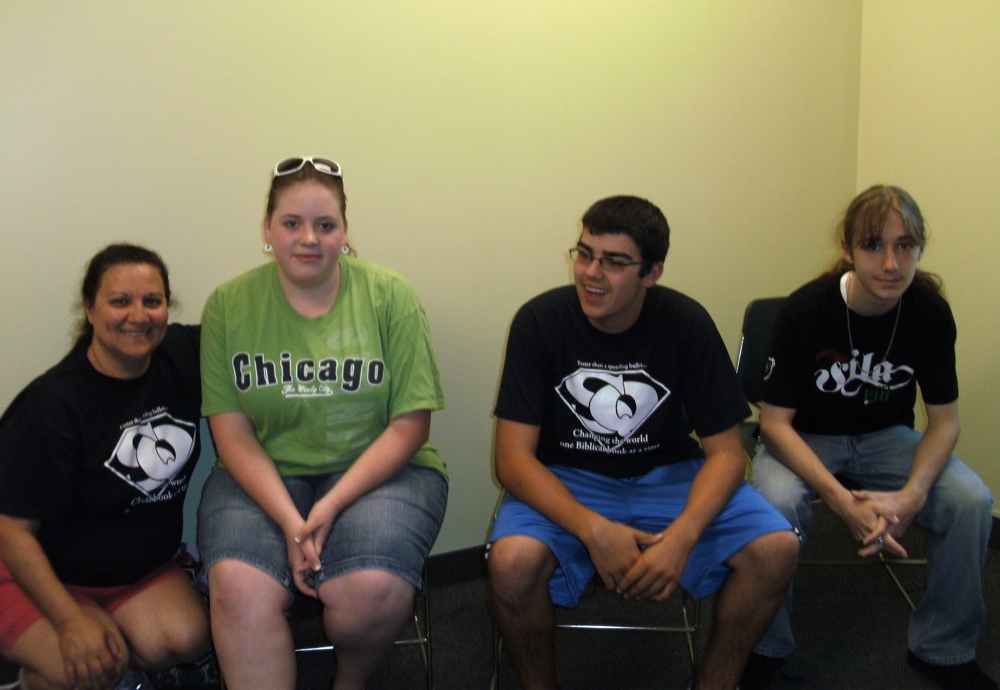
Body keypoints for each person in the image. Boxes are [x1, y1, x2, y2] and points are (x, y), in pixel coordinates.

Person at [487, 195, 800, 690]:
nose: (591, 273)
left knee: (777, 549)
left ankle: (716, 684)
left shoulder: (686, 323)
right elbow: (512, 460)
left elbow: (726, 455)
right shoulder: (539, 322)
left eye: (614, 262)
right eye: (584, 254)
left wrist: (683, 537)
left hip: (671, 476)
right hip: (568, 478)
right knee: (511, 564)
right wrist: (592, 530)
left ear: (652, 273)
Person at [197, 156, 448, 690]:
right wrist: (292, 521)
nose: (309, 239)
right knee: (239, 588)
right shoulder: (228, 305)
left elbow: (410, 424)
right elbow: (232, 432)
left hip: (379, 469)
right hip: (266, 472)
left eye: (325, 225)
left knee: (369, 592)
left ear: (345, 231)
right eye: (292, 223)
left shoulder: (390, 296)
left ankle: (349, 682)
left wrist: (329, 506)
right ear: (267, 229)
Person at [748, 185, 996, 690]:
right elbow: (773, 424)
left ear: (920, 248)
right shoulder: (805, 310)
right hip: (804, 436)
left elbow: (944, 421)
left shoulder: (928, 311)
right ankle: (764, 645)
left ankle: (943, 649)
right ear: (847, 249)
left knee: (971, 500)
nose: (891, 263)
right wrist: (842, 502)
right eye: (873, 245)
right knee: (775, 501)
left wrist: (912, 496)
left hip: (886, 436)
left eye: (905, 245)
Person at [0, 243, 211, 690]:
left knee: (187, 636)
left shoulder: (182, 354)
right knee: (92, 666)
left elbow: (259, 323)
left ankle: (106, 641)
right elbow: (12, 534)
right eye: (120, 301)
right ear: (90, 309)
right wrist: (70, 621)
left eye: (152, 301)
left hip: (132, 574)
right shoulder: (52, 407)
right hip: (30, 573)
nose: (138, 315)